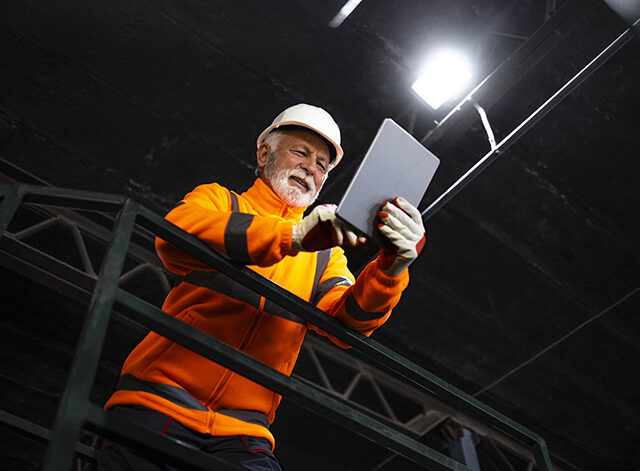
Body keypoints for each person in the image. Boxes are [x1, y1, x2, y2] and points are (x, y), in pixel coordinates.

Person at [98, 104, 426, 470]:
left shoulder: (325, 256)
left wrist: (392, 266)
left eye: (321, 164)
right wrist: (293, 236)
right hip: (158, 401)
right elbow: (174, 237)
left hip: (245, 433)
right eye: (300, 152)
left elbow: (348, 322)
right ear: (264, 152)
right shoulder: (221, 201)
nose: (310, 168)